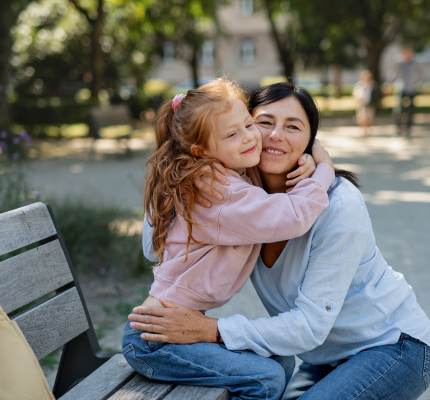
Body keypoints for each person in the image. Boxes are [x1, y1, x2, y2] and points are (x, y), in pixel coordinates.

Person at [130, 82, 430, 400]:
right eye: (264, 122)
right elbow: (151, 246)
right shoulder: (238, 192)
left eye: (293, 127)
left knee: (271, 375)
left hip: (393, 347)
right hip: (322, 357)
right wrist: (178, 160)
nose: (275, 136)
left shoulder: (337, 205)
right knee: (270, 374)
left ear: (310, 140)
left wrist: (212, 330)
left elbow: (309, 325)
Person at [122, 78, 337, 400]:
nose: (251, 138)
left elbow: (262, 182)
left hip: (169, 330)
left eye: (249, 124)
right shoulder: (216, 192)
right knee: (265, 379)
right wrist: (324, 171)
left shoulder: (227, 170)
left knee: (277, 356)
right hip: (155, 340)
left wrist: (304, 157)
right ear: (201, 151)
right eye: (232, 134)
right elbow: (291, 216)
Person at [392, 47, 421, 137]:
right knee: (398, 109)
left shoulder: (415, 63)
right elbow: (393, 74)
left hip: (411, 88)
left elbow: (420, 74)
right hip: (401, 87)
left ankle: (409, 129)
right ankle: (398, 129)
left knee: (411, 110)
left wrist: (423, 85)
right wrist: (388, 84)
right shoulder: (399, 63)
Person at [353, 70, 380, 136]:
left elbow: (377, 94)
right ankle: (363, 130)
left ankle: (368, 130)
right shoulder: (359, 84)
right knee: (361, 117)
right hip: (362, 103)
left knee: (369, 118)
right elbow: (355, 93)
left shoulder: (373, 85)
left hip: (370, 104)